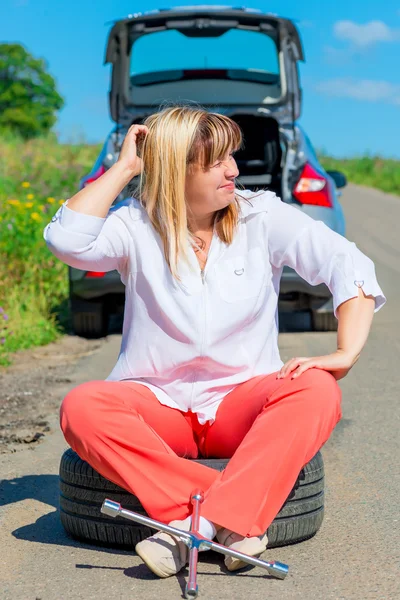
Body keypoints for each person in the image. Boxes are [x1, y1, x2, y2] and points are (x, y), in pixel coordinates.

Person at [43, 104, 386, 579]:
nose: (233, 170)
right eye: (215, 161)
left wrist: (346, 352)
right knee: (82, 407)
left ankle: (187, 525)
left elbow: (348, 265)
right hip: (156, 402)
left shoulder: (260, 215)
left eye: (231, 156)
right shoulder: (134, 223)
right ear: (174, 168)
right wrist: (125, 167)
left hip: (240, 405)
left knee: (317, 388)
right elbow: (67, 241)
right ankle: (231, 516)